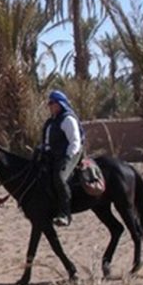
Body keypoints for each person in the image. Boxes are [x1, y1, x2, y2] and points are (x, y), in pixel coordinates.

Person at [41, 90, 84, 227]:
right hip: (53, 155)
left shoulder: (68, 119)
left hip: (70, 154)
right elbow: (47, 142)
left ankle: (65, 213)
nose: (50, 106)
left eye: (52, 103)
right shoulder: (51, 122)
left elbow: (75, 142)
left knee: (60, 177)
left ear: (60, 104)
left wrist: (68, 158)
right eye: (49, 103)